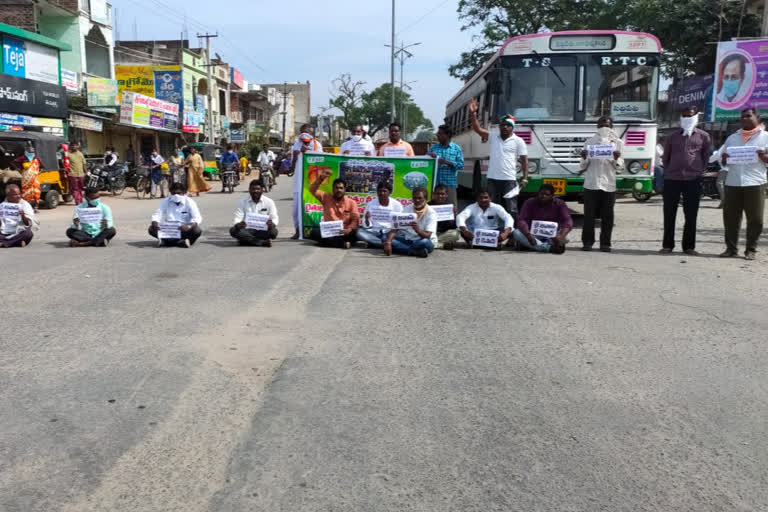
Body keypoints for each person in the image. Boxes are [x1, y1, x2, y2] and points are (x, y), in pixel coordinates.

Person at [660, 106, 713, 255]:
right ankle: (667, 245)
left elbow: (705, 156)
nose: (686, 118)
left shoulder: (703, 136)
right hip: (672, 178)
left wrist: (699, 171)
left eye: (689, 116)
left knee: (691, 214)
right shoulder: (672, 137)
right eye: (683, 116)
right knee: (669, 213)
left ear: (696, 117)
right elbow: (666, 157)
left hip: (693, 179)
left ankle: (689, 247)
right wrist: (670, 169)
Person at [719, 107, 768, 260]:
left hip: (755, 182)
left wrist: (763, 157)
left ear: (757, 118)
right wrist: (725, 159)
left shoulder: (765, 137)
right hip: (733, 183)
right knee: (731, 218)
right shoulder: (732, 138)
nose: (744, 119)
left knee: (756, 219)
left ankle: (751, 249)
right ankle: (731, 249)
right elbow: (723, 162)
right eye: (742, 117)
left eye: (748, 116)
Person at [468, 98, 529, 218]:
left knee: (511, 207)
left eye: (508, 125)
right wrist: (473, 114)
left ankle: (512, 231)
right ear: (499, 127)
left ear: (512, 127)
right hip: (492, 179)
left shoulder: (518, 141)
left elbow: (524, 161)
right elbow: (477, 129)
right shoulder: (493, 136)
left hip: (509, 180)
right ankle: (495, 230)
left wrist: (525, 178)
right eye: (502, 125)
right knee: (493, 207)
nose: (505, 127)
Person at [579, 116, 624, 252]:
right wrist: (584, 157)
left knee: (608, 216)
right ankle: (587, 242)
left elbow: (620, 167)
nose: (605, 127)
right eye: (602, 125)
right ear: (597, 126)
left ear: (612, 127)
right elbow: (582, 166)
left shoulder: (618, 143)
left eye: (607, 125)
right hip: (591, 184)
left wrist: (615, 158)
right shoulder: (589, 142)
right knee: (589, 215)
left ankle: (605, 243)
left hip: (608, 184)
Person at [512, 183, 573, 254]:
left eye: (547, 194)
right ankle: (549, 248)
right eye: (541, 194)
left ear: (552, 196)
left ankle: (529, 245)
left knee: (565, 238)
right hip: (533, 234)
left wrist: (560, 235)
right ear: (538, 193)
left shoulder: (560, 203)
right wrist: (528, 234)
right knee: (516, 233)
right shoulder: (529, 202)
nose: (543, 196)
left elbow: (568, 221)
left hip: (552, 234)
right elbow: (522, 220)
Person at [308, 168, 359, 249]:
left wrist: (349, 229)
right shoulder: (325, 197)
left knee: (357, 233)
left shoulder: (352, 203)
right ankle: (342, 244)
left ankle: (327, 242)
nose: (338, 190)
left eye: (341, 188)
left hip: (345, 232)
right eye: (336, 188)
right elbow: (312, 190)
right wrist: (321, 178)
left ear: (345, 189)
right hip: (330, 231)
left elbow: (355, 220)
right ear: (333, 189)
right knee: (314, 233)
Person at [383, 186, 436, 257]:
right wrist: (388, 242)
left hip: (422, 241)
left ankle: (404, 249)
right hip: (408, 240)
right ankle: (414, 251)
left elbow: (428, 236)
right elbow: (395, 227)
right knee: (385, 238)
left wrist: (418, 230)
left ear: (426, 199)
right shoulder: (407, 208)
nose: (417, 200)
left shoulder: (431, 213)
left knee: (424, 242)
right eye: (415, 198)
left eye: (420, 198)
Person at [291, 126, 323, 239]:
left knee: (311, 205)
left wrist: (308, 151)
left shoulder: (316, 145)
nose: (305, 134)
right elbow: (292, 166)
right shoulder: (296, 144)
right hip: (298, 180)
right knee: (296, 208)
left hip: (311, 180)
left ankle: (312, 229)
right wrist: (295, 155)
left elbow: (321, 161)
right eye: (303, 132)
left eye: (307, 132)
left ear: (312, 133)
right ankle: (298, 230)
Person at [149, 182, 203, 247]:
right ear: (171, 192)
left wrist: (188, 226)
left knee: (197, 230)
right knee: (151, 229)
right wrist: (155, 223)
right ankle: (181, 242)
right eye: (174, 193)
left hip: (184, 230)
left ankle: (166, 242)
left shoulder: (190, 202)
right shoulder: (166, 201)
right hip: (170, 230)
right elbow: (157, 213)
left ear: (184, 192)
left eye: (179, 193)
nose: (176, 195)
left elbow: (197, 218)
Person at [230, 179, 279, 247]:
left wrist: (272, 224)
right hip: (247, 230)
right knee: (233, 230)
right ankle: (261, 242)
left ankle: (246, 241)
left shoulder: (269, 202)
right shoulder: (243, 202)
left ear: (262, 190)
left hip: (263, 230)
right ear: (249, 190)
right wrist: (239, 224)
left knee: (274, 232)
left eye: (258, 189)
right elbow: (237, 217)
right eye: (253, 189)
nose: (255, 191)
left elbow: (274, 217)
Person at [357, 181, 403, 247]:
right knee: (359, 232)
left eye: (384, 191)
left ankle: (376, 243)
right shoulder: (371, 204)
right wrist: (367, 219)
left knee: (402, 234)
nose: (382, 193)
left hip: (390, 232)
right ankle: (384, 244)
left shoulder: (397, 205)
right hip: (375, 232)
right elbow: (366, 225)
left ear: (390, 192)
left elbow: (400, 223)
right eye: (380, 191)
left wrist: (391, 233)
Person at [428, 125, 464, 207]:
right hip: (435, 184)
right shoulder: (433, 148)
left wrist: (447, 162)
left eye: (440, 133)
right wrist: (429, 156)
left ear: (447, 135)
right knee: (434, 208)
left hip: (449, 184)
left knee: (451, 208)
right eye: (438, 133)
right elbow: (426, 163)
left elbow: (461, 165)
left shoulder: (456, 148)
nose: (437, 135)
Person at [428, 184, 460, 250]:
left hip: (443, 234)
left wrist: (455, 215)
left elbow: (453, 226)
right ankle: (442, 245)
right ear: (433, 194)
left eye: (442, 194)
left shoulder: (450, 205)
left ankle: (432, 244)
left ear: (446, 195)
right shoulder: (428, 205)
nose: (440, 196)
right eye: (437, 194)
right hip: (431, 233)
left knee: (456, 234)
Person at [15, 141, 41, 209]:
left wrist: (38, 172)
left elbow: (42, 167)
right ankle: (26, 206)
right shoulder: (23, 158)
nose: (31, 150)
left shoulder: (36, 158)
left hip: (35, 178)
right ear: (26, 150)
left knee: (36, 192)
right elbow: (14, 162)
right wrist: (19, 169)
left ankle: (36, 206)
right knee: (26, 192)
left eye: (32, 149)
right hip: (26, 178)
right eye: (30, 149)